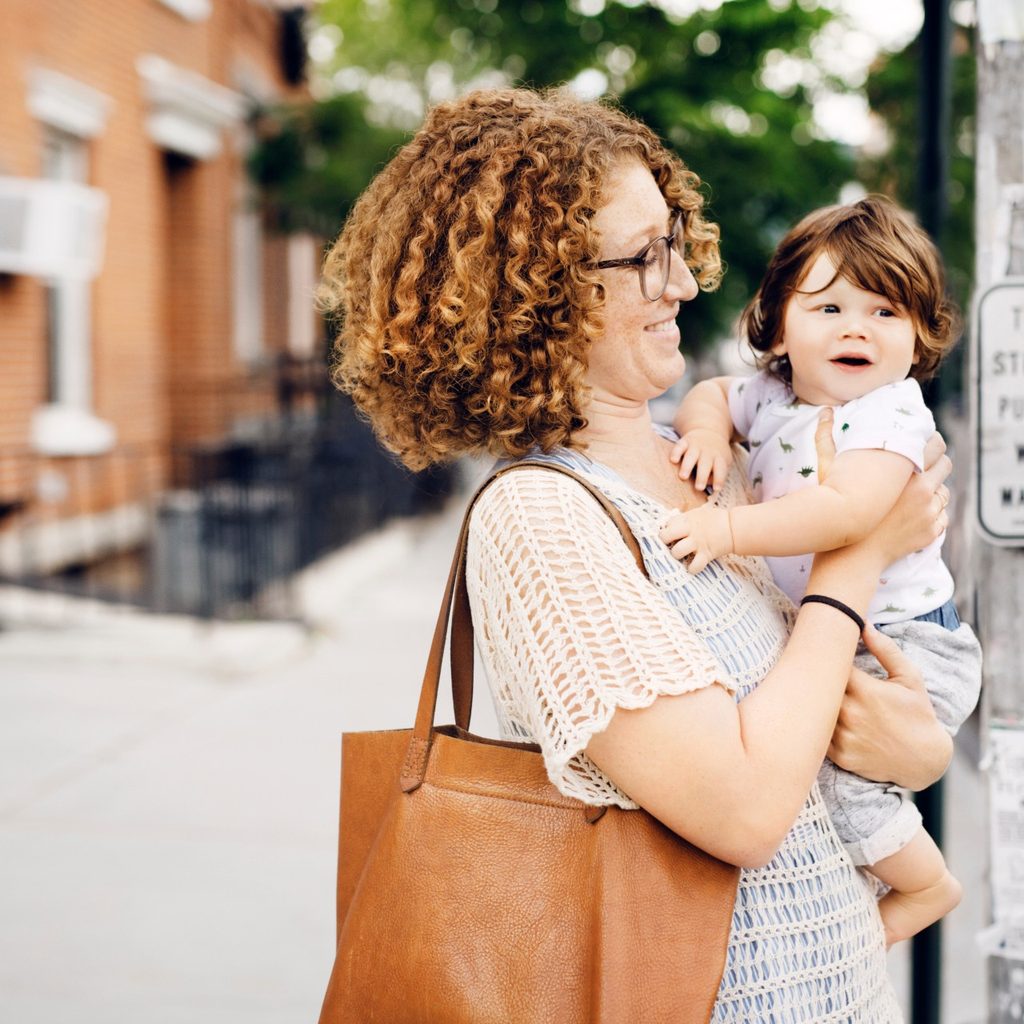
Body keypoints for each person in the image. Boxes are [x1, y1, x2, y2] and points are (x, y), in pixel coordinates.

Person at [321, 87, 954, 1021]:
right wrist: (856, 558)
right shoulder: (543, 520)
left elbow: (817, 729)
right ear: (534, 293)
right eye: (643, 256)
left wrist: (917, 747)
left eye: (675, 241)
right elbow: (742, 810)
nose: (685, 283)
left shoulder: (711, 465)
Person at [661, 196, 982, 947]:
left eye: (884, 313)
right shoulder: (772, 397)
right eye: (830, 306)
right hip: (848, 629)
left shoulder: (891, 418)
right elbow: (709, 395)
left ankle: (925, 884)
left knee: (838, 781)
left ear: (919, 338)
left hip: (905, 644)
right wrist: (709, 432)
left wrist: (727, 527)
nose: (855, 329)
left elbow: (845, 514)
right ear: (776, 324)